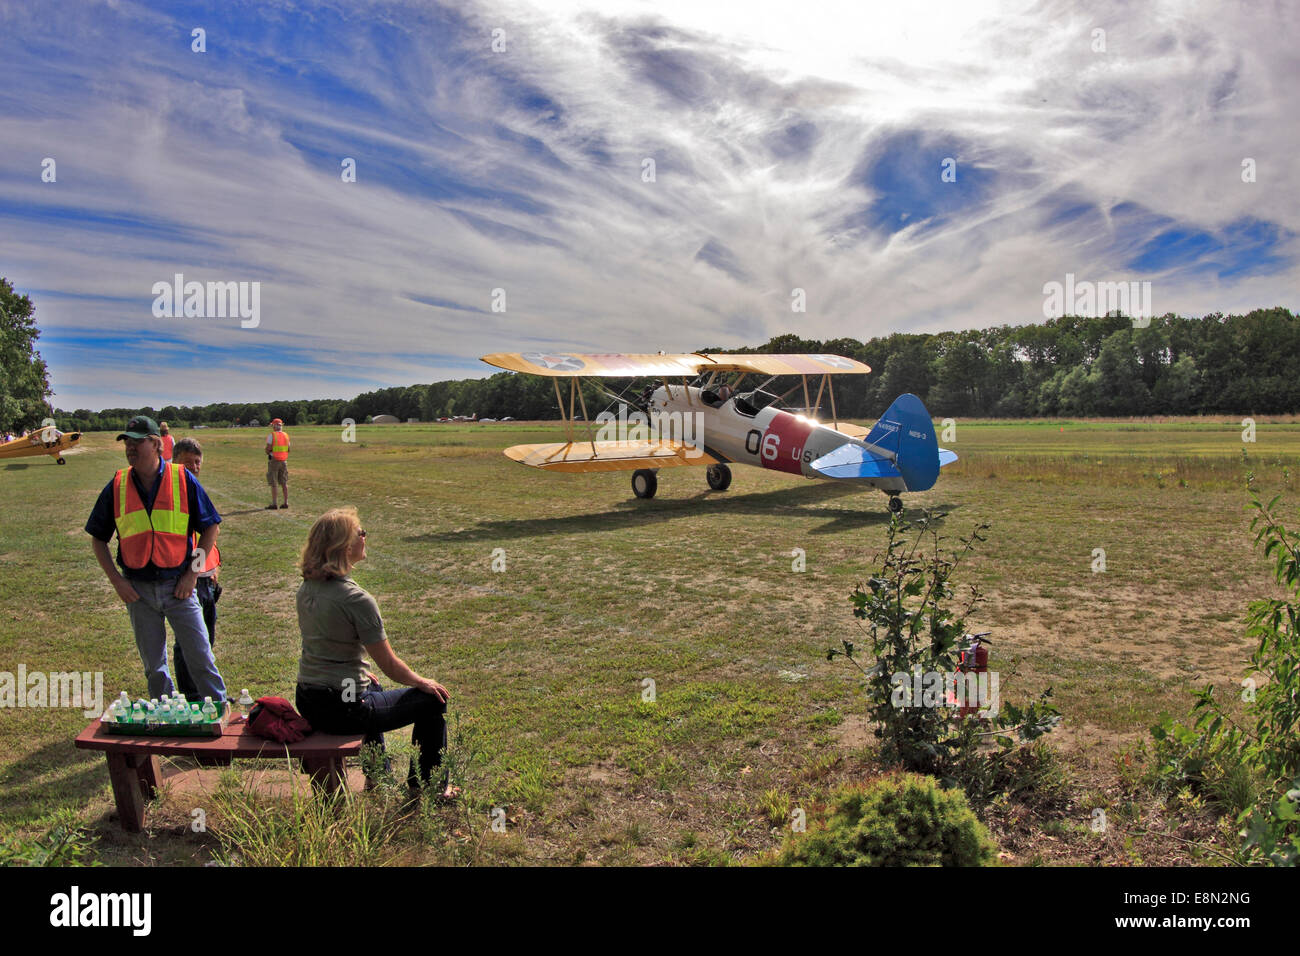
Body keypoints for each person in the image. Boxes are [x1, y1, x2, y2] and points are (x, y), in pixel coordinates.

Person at [293, 507, 457, 798]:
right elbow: (390, 665)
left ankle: (377, 776)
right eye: (361, 532)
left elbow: (325, 644)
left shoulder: (307, 588)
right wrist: (422, 683)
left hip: (309, 699)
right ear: (345, 546)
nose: (365, 537)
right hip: (342, 708)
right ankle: (428, 788)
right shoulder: (356, 599)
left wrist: (353, 671)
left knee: (372, 684)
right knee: (432, 701)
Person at [85, 416, 227, 704]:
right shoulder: (117, 485)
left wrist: (191, 575)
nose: (131, 448)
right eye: (127, 442)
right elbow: (98, 539)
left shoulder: (182, 479)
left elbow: (211, 527)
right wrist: (117, 582)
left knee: (201, 657)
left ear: (157, 445)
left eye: (138, 442)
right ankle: (167, 717)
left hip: (179, 588)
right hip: (138, 591)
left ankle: (219, 712)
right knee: (154, 667)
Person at [171, 437, 222, 701]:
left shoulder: (195, 489)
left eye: (197, 462)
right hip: (188, 578)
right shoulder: (172, 493)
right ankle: (190, 695)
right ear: (172, 461)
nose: (194, 467)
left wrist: (214, 568)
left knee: (206, 638)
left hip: (206, 578)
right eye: (187, 462)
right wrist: (191, 572)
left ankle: (205, 694)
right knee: (187, 640)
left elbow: (211, 534)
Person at [265, 418, 290, 510]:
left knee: (273, 482)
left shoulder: (272, 435)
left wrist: (268, 451)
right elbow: (288, 449)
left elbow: (268, 448)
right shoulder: (286, 435)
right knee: (284, 482)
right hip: (284, 460)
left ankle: (274, 503)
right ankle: (285, 502)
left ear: (274, 426)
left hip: (274, 460)